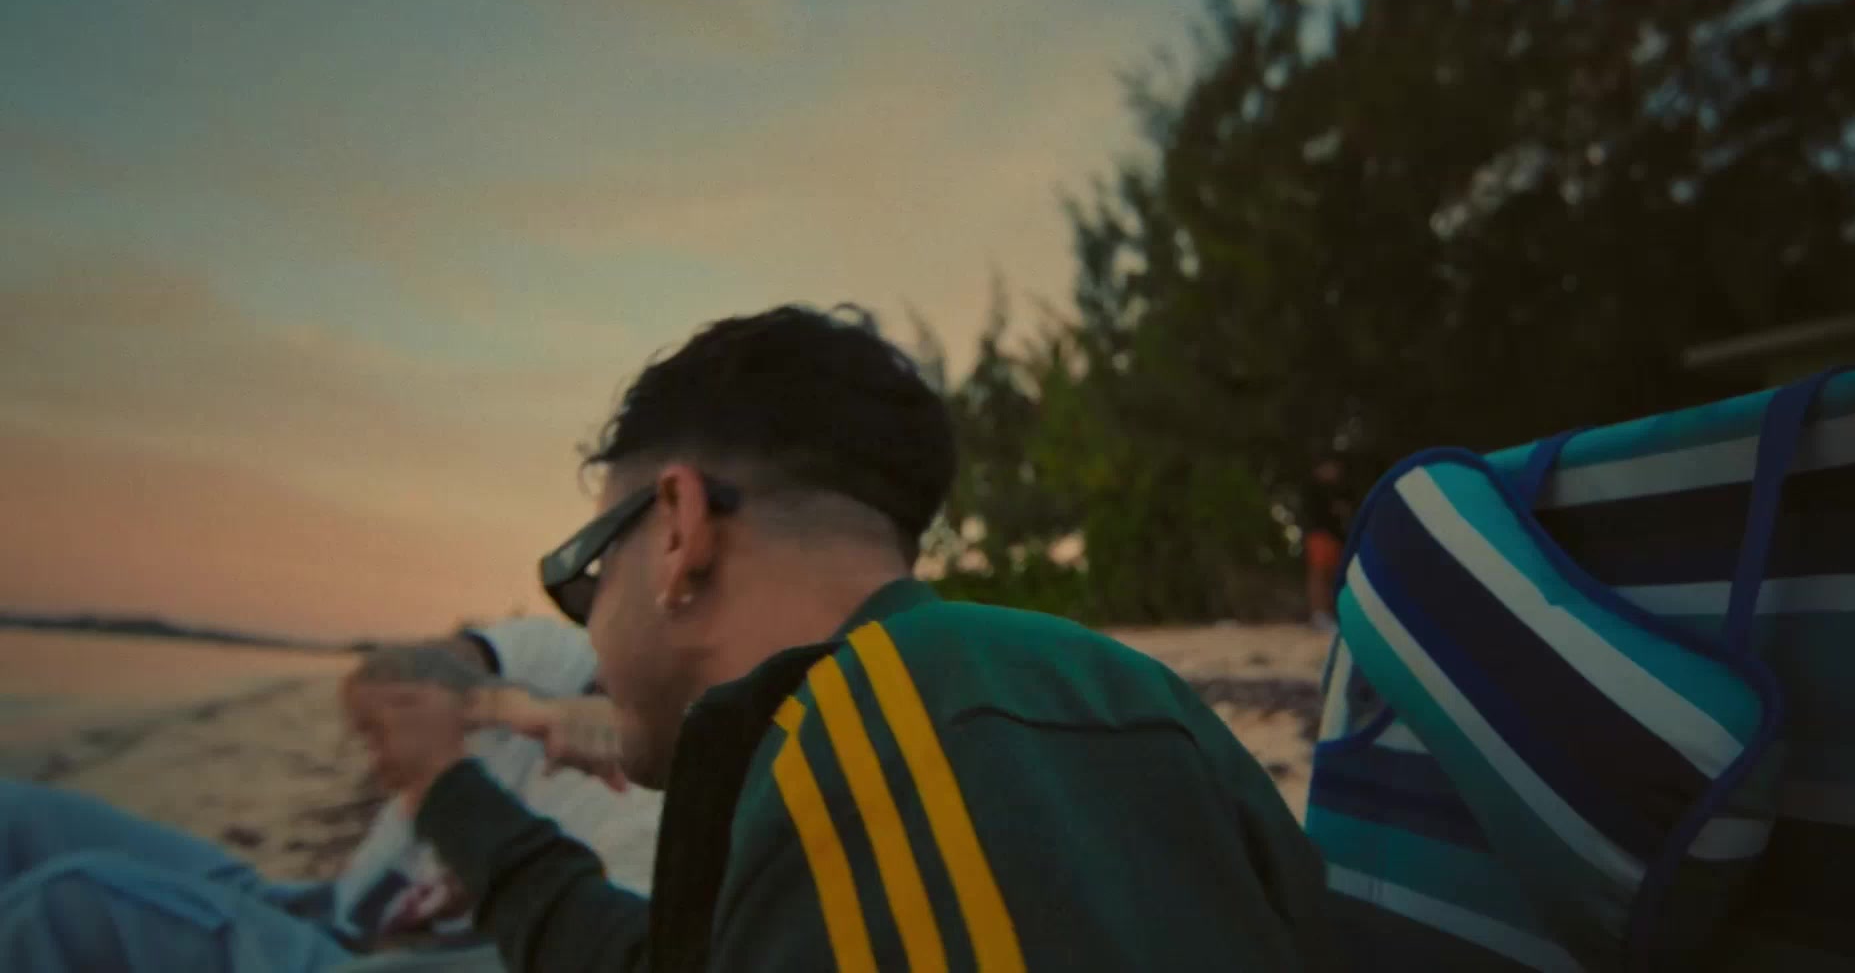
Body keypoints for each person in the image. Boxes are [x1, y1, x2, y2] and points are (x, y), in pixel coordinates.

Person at [357, 303, 1342, 971]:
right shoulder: (1013, 704)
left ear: (677, 529)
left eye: (585, 575)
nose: (589, 628)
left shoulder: (895, 739)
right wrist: (450, 795)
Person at [0, 617, 660, 972]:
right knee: (15, 814)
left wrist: (444, 777)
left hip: (360, 961)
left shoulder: (683, 815)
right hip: (315, 906)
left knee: (64, 904)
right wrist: (500, 703)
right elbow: (378, 680)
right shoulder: (559, 656)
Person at [1300, 453, 1354, 632]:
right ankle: (1318, 614)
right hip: (1318, 536)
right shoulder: (1313, 491)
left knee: (1332, 575)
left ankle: (1329, 614)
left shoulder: (1339, 491)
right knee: (1318, 574)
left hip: (1334, 538)